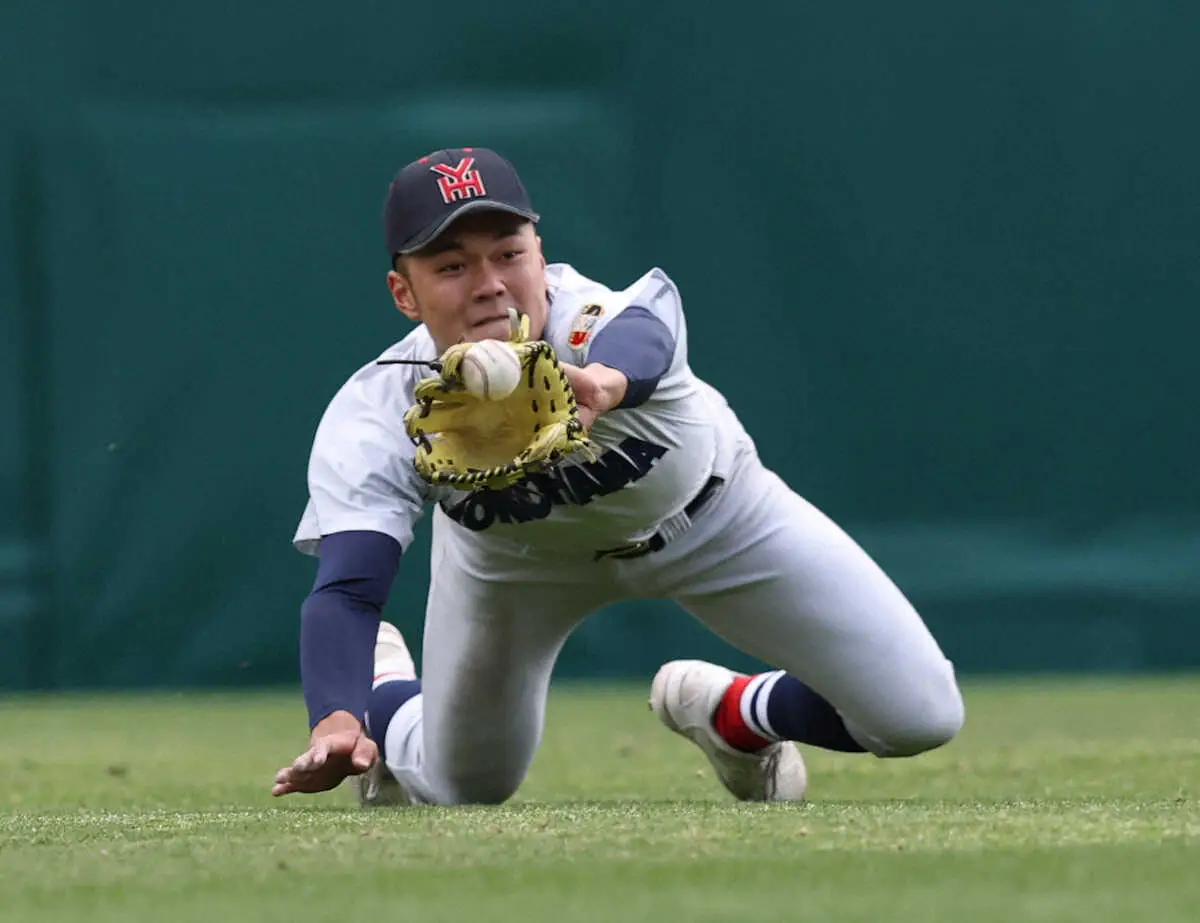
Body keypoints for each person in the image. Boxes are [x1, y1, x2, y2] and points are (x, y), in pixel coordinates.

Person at [271, 147, 965, 806]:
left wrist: (602, 384)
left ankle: (732, 714)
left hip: (718, 522)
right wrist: (335, 720)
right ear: (404, 292)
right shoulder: (381, 410)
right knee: (464, 785)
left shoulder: (596, 319)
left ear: (540, 253)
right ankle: (386, 691)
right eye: (451, 266)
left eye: (509, 254)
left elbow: (644, 341)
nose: (490, 285)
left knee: (920, 716)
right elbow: (350, 588)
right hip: (517, 567)